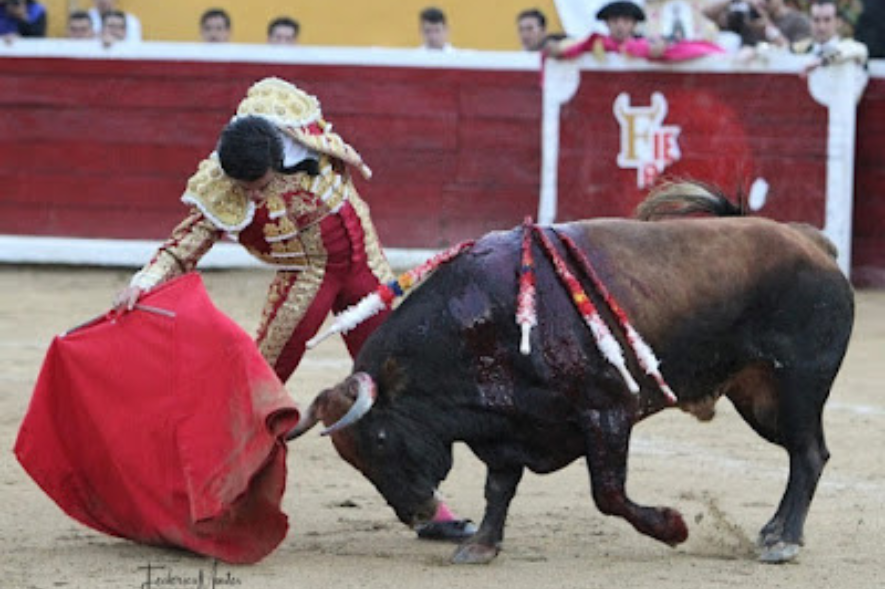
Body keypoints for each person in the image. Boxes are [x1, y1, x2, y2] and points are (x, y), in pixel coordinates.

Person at [113, 77, 475, 543]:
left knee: (400, 382)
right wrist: (144, 282)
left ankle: (428, 509)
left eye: (260, 185)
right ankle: (200, 497)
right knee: (256, 393)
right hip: (307, 279)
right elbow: (188, 241)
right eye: (248, 190)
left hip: (365, 265)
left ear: (276, 154)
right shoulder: (224, 182)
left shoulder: (290, 113)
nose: (257, 196)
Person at [546, 0, 722, 61]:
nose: (620, 25)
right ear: (606, 24)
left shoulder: (647, 43)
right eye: (614, 20)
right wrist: (555, 50)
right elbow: (568, 48)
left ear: (634, 24)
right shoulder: (596, 42)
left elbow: (687, 50)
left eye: (625, 21)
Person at [793, 0, 867, 75]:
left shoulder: (851, 47)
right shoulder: (801, 49)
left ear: (838, 22)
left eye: (827, 20)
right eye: (816, 20)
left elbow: (851, 51)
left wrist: (821, 61)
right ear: (809, 21)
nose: (821, 27)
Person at [702, 0, 810, 47]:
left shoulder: (799, 21)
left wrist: (768, 29)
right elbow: (708, 14)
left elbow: (797, 54)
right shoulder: (748, 16)